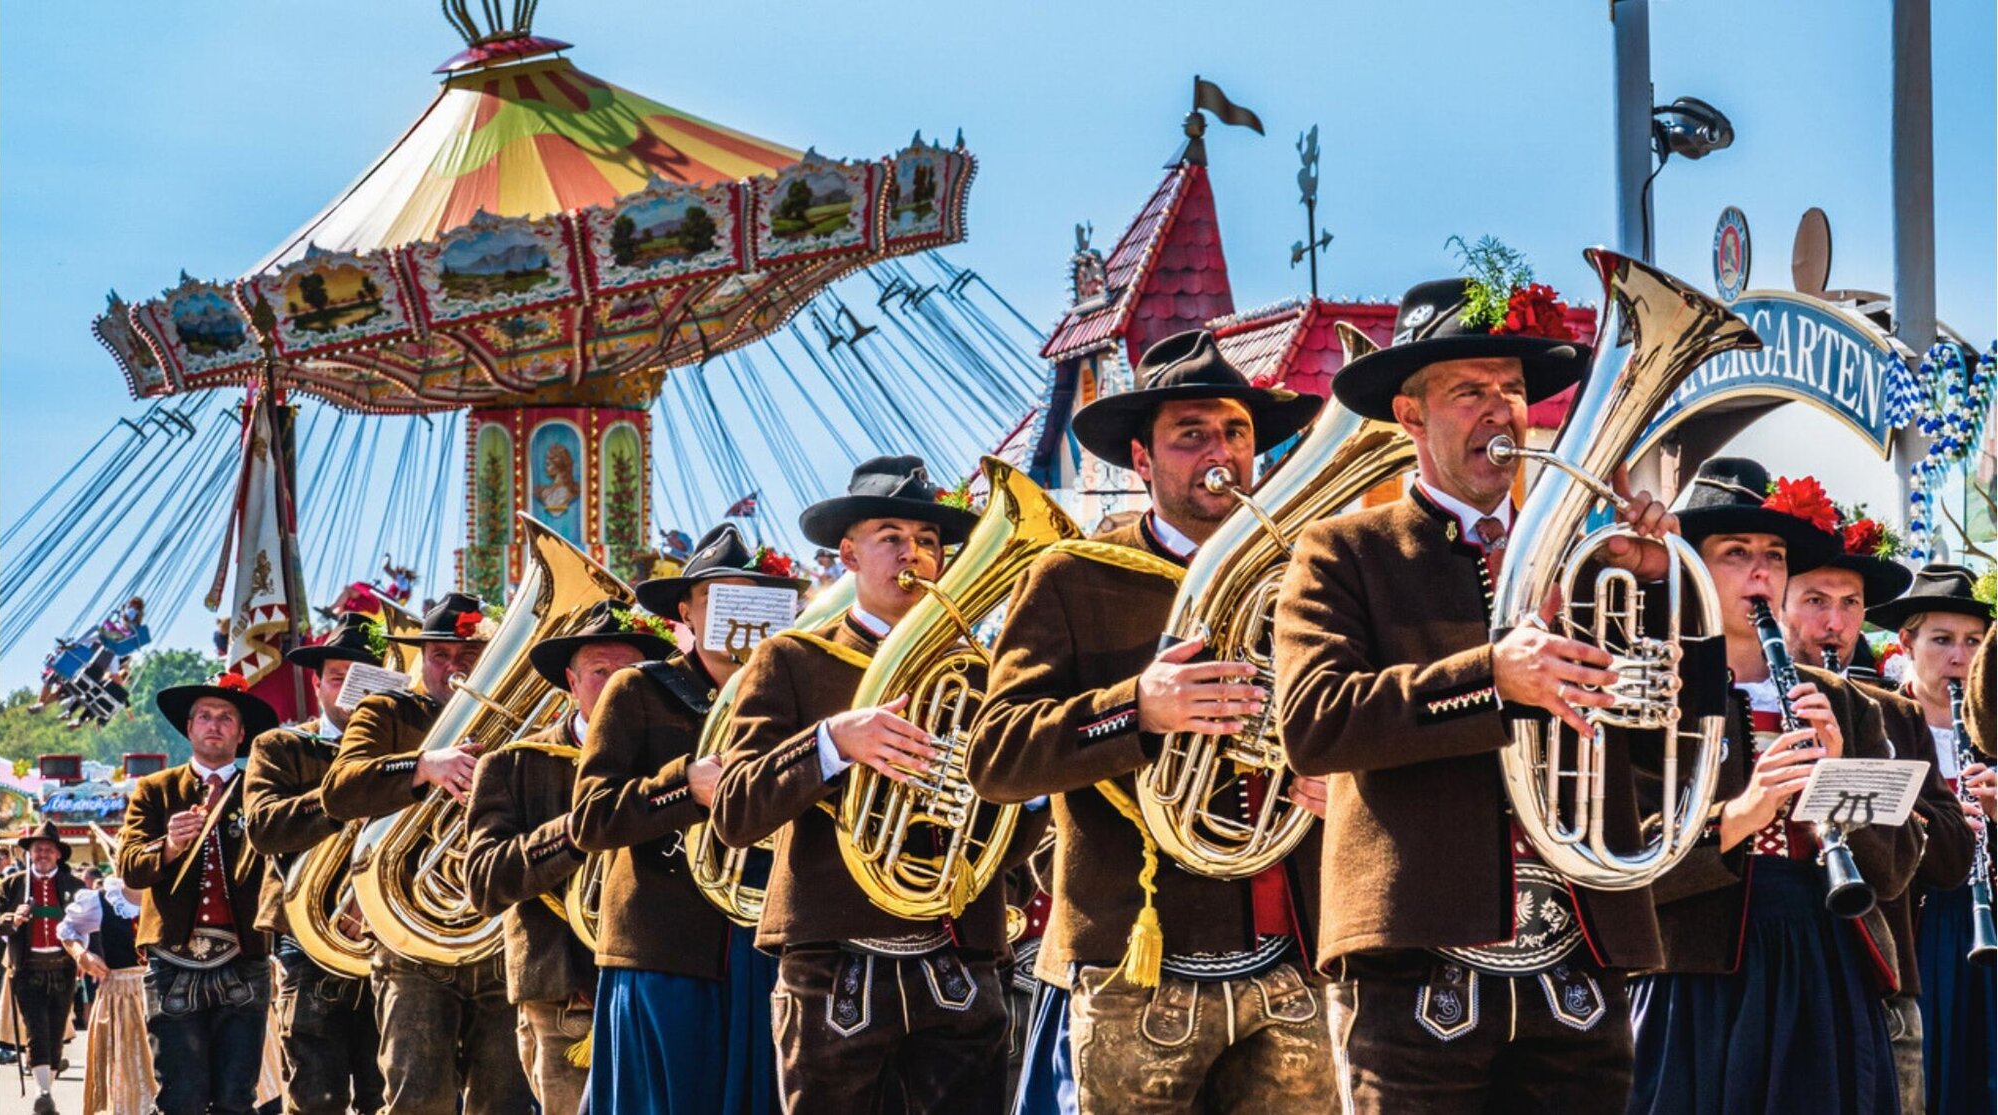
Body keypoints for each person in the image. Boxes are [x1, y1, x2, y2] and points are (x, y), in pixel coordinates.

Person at [1270, 282, 1676, 1115]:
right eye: (1470, 392)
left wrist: (1660, 585)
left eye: (1513, 390)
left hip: (1580, 960)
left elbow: (1671, 726)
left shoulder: (1591, 556)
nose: (1501, 411)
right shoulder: (1343, 550)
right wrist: (1490, 676)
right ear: (1410, 416)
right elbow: (1314, 723)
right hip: (1419, 967)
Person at [970, 329, 1333, 1115]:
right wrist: (1137, 706)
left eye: (1236, 431)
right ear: (1141, 459)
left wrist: (1339, 771)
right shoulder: (1073, 577)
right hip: (1136, 959)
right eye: (1191, 433)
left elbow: (1343, 713)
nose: (1221, 450)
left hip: (1297, 953)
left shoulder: (1302, 568)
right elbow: (996, 756)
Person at [710, 456, 1041, 1115]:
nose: (912, 552)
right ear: (848, 554)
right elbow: (736, 809)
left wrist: (1026, 785)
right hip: (834, 969)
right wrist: (832, 743)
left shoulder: (981, 674)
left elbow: (1007, 845)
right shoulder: (793, 659)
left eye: (927, 541)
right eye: (891, 535)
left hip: (959, 961)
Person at [1624, 459, 1922, 1113]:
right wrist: (1742, 812)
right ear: (1694, 567)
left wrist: (1839, 774)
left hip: (1823, 959)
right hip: (1695, 973)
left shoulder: (1845, 703)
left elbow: (1896, 867)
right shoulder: (1647, 690)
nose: (1761, 572)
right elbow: (1620, 863)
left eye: (1774, 554)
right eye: (1736, 553)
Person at [572, 524, 807, 1115]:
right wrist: (685, 785)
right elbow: (591, 820)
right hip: (664, 955)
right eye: (717, 599)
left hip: (767, 948)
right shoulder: (637, 689)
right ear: (686, 611)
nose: (737, 614)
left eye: (752, 599)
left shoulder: (794, 693)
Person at [1778, 511, 1974, 1115]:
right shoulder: (1728, 696)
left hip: (1878, 981)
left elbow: (1950, 858)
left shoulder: (1896, 716)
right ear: (1778, 600)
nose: (1834, 622)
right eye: (1815, 600)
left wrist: (1868, 785)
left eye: (1851, 603)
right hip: (1765, 972)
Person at [320, 593, 532, 1115]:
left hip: (498, 936)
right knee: (418, 1100)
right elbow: (339, 790)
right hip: (410, 942)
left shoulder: (521, 714)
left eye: (468, 655)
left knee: (505, 1103)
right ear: (420, 658)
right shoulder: (387, 711)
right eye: (441, 655)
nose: (454, 667)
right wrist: (421, 766)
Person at [463, 600, 672, 1115]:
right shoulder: (513, 764)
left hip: (664, 981)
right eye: (600, 671)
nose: (617, 684)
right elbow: (485, 881)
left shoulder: (672, 762)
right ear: (571, 683)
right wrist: (581, 831)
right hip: (567, 997)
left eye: (631, 672)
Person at [241, 612, 389, 1115]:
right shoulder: (281, 745)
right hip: (307, 937)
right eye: (336, 679)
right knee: (314, 1090)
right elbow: (263, 827)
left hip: (389, 932)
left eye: (361, 681)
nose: (347, 692)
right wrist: (347, 794)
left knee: (387, 1088)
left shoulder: (405, 751)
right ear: (317, 683)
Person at [117, 671, 282, 1115]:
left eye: (226, 717)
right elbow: (128, 864)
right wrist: (168, 846)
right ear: (189, 728)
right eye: (204, 716)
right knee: (181, 1098)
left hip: (245, 958)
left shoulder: (262, 790)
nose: (214, 724)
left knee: (235, 1098)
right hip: (173, 959)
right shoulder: (154, 790)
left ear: (242, 732)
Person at [1867, 564, 1995, 1115]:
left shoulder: (1991, 730)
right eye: (1942, 640)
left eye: (1973, 642)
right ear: (1906, 643)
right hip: (1916, 919)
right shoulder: (1876, 721)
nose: (1959, 658)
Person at [1, 821, 84, 1113]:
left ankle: (46, 1093)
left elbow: (89, 927)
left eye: (49, 849)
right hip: (27, 969)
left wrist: (87, 957)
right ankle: (42, 1091)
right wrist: (13, 918)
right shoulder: (13, 885)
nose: (43, 854)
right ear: (30, 853)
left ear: (59, 855)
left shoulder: (74, 885)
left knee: (56, 1030)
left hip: (63, 968)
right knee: (37, 1030)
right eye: (38, 849)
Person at [58, 870, 157, 1114]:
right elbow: (67, 931)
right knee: (126, 1073)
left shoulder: (166, 895)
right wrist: (83, 955)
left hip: (163, 991)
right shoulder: (101, 900)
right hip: (120, 997)